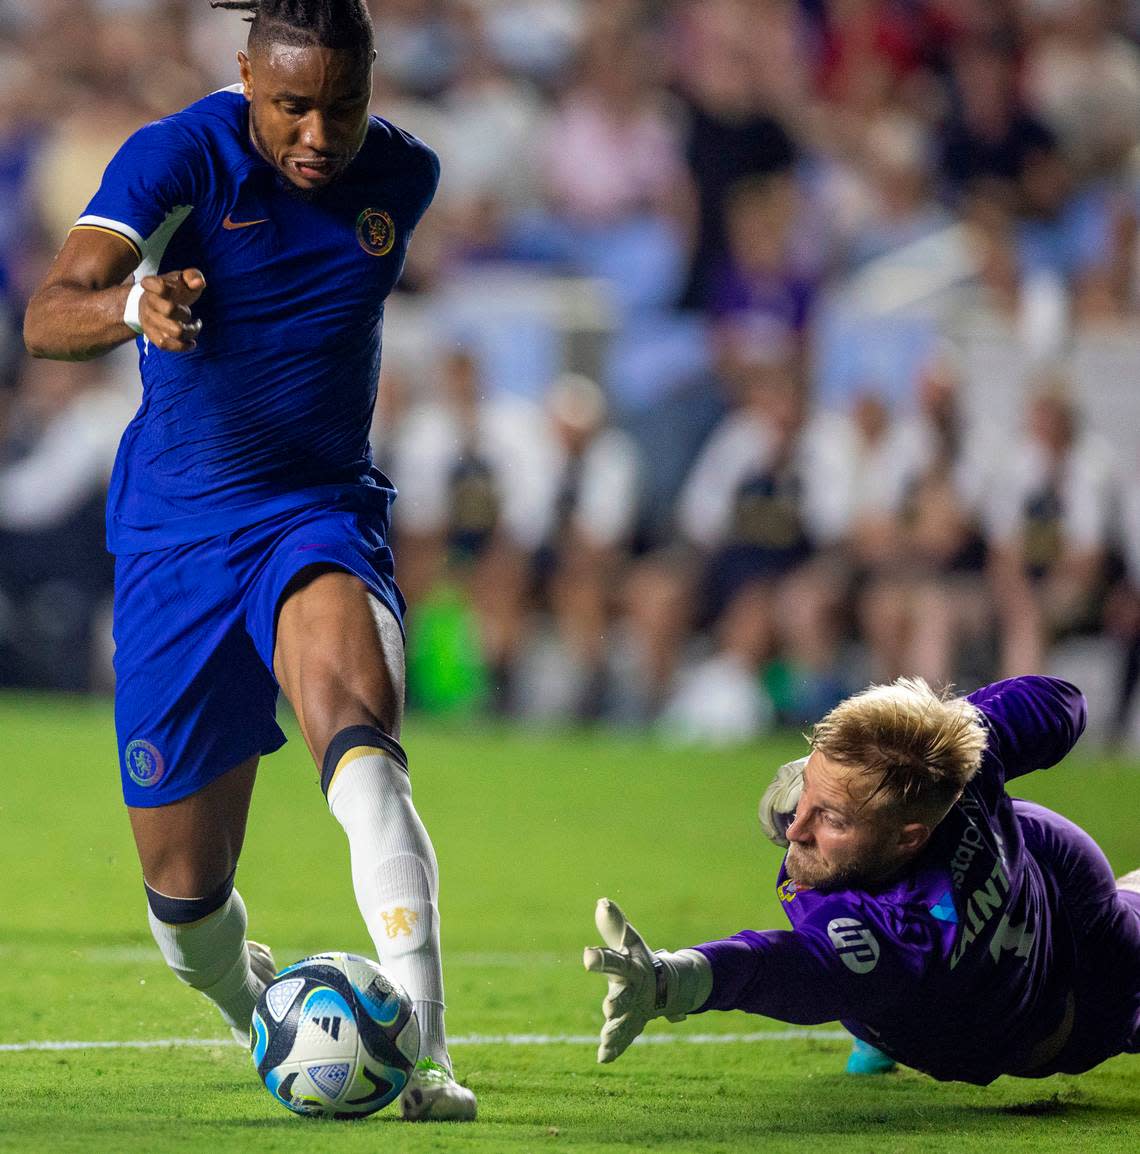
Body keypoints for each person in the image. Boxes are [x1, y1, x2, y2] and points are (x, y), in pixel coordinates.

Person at [22, 0, 475, 1122]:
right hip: (175, 541)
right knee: (184, 916)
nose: (320, 133)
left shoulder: (403, 179)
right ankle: (258, 1010)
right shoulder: (179, 155)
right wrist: (136, 301)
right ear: (245, 78)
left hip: (314, 515)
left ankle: (429, 1060)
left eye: (343, 105)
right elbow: (46, 311)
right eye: (292, 107)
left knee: (365, 755)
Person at [584, 675, 1140, 1084]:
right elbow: (1061, 703)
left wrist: (671, 980)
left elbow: (782, 967)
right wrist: (943, 734)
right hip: (1029, 883)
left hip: (1072, 1001)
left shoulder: (908, 931)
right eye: (810, 789)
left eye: (832, 818)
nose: (797, 826)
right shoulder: (960, 769)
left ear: (909, 838)